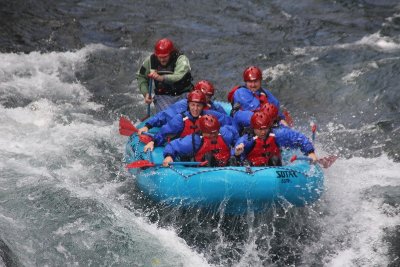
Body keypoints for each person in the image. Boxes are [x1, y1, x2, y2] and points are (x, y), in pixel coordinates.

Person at [142, 91, 232, 151]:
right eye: (193, 105)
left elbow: (230, 123)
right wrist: (153, 141)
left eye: (198, 105)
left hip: (204, 151)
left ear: (203, 106)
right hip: (184, 151)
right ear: (188, 105)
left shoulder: (211, 116)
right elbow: (164, 132)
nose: (195, 109)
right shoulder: (180, 119)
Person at [233, 109, 317, 167]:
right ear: (254, 128)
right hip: (253, 167)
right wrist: (237, 153)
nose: (263, 132)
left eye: (265, 128)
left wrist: (311, 152)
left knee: (275, 159)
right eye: (259, 129)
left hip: (273, 166)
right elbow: (236, 152)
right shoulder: (247, 139)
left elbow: (300, 138)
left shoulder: (278, 134)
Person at [137, 80, 226, 134]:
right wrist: (148, 126)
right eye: (205, 96)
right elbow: (165, 115)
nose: (207, 99)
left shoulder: (215, 108)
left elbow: (227, 122)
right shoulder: (183, 105)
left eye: (209, 96)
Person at [136, 38, 193, 112]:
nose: (162, 60)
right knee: (170, 114)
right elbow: (141, 76)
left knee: (190, 112)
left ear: (171, 53)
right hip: (163, 96)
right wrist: (146, 93)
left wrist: (161, 78)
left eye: (165, 57)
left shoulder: (182, 60)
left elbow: (178, 76)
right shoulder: (151, 60)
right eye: (160, 57)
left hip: (184, 93)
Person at [162, 114, 239, 167]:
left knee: (233, 158)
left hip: (226, 166)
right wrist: (169, 156)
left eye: (215, 133)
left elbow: (235, 132)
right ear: (202, 132)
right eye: (210, 134)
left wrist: (237, 146)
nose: (213, 136)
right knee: (208, 157)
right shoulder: (194, 141)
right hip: (202, 169)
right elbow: (172, 146)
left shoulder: (225, 134)